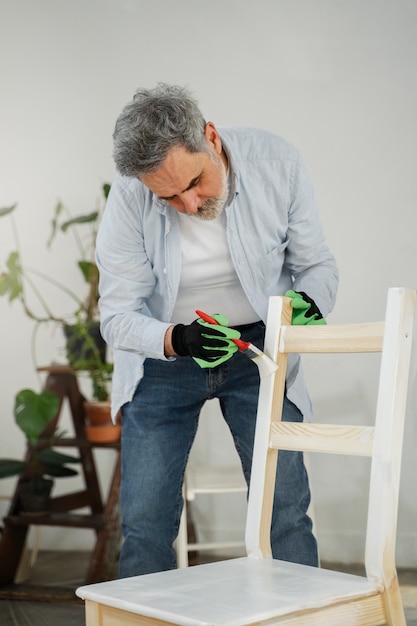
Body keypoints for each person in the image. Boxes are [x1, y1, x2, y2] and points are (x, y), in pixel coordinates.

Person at [96, 83, 338, 578]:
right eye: (169, 196)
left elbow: (318, 266)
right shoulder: (129, 196)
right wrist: (176, 339)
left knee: (285, 512)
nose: (188, 204)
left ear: (209, 137)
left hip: (259, 353)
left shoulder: (278, 164)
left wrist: (303, 306)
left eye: (195, 182)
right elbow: (117, 314)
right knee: (144, 524)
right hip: (164, 359)